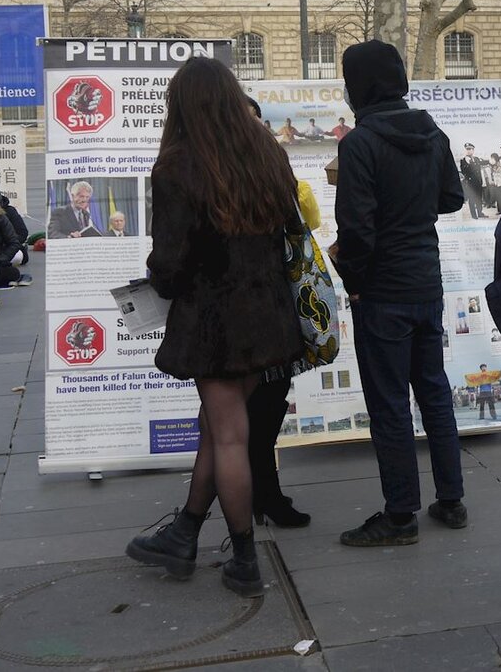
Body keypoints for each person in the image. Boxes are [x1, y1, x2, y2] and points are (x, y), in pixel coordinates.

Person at [125, 57, 306, 599]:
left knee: (226, 433)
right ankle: (183, 533)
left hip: (214, 320)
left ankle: (246, 558)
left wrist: (152, 282)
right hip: (267, 313)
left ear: (181, 105)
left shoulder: (178, 165)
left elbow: (172, 260)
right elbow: (291, 229)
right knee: (218, 425)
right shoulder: (267, 151)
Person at [334, 39, 469, 546]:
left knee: (389, 402)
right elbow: (452, 198)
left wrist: (356, 282)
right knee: (433, 390)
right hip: (425, 282)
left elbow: (357, 229)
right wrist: (414, 209)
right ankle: (451, 499)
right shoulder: (431, 132)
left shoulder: (360, 143)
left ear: (358, 87)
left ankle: (399, 514)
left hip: (383, 290)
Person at [245, 97, 316, 528]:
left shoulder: (273, 171)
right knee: (238, 417)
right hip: (242, 313)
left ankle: (264, 494)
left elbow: (307, 220)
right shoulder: (212, 175)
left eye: (256, 121)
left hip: (274, 303)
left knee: (269, 406)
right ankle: (252, 496)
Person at [0, 177, 28, 249]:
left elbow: (22, 233)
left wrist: (8, 244)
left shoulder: (10, 211)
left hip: (9, 246)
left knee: (17, 256)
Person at [458, 143, 485, 219]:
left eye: (471, 149)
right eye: (467, 149)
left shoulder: (476, 159)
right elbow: (464, 171)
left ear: (473, 150)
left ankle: (480, 213)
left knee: (479, 198)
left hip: (478, 182)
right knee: (472, 199)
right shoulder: (463, 160)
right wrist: (469, 162)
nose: (469, 151)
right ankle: (474, 215)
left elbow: (482, 164)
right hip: (470, 183)